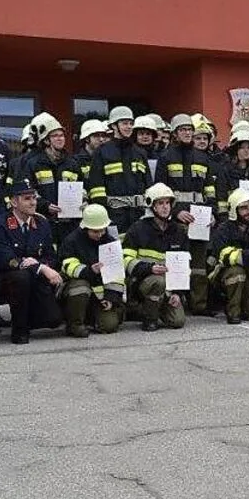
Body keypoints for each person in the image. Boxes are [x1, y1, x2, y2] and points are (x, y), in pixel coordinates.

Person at [0, 179, 63, 344]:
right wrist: (39, 267)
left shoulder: (42, 223)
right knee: (21, 277)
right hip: (8, 279)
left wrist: (41, 266)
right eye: (27, 199)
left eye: (34, 198)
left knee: (54, 320)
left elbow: (51, 256)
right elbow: (6, 260)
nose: (33, 202)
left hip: (36, 279)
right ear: (14, 202)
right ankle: (19, 329)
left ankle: (30, 317)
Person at [155, 113, 217, 315]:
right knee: (177, 261)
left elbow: (210, 191)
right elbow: (159, 191)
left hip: (200, 217)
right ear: (174, 133)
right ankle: (176, 302)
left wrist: (212, 213)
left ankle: (199, 305)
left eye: (190, 129)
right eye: (183, 130)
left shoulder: (203, 157)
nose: (187, 133)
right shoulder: (166, 157)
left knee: (199, 265)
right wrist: (175, 212)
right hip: (176, 218)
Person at [122, 183, 188, 331]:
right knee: (158, 281)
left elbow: (183, 268)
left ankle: (155, 307)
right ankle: (149, 319)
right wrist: (149, 268)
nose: (165, 207)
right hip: (143, 283)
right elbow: (126, 260)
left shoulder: (178, 231)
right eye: (160, 203)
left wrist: (177, 293)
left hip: (168, 287)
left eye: (167, 203)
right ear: (151, 205)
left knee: (177, 321)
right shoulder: (138, 229)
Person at [60, 204, 127, 336]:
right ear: (85, 228)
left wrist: (110, 298)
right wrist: (89, 271)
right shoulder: (72, 241)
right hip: (78, 289)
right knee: (80, 287)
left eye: (103, 230)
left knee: (109, 325)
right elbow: (68, 265)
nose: (100, 234)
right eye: (95, 231)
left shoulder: (110, 242)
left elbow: (117, 275)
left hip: (101, 295)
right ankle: (75, 324)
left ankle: (92, 319)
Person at [211, 188, 249, 324]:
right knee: (237, 272)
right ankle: (233, 311)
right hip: (226, 277)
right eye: (244, 208)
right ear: (234, 210)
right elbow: (226, 257)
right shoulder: (223, 230)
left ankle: (245, 305)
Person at [87, 106, 151, 233]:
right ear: (114, 126)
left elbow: (148, 185)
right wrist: (103, 216)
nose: (129, 127)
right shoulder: (101, 152)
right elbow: (96, 189)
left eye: (131, 123)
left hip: (139, 216)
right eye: (125, 123)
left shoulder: (140, 153)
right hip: (113, 217)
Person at [24, 113, 82, 242]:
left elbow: (82, 188)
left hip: (69, 224)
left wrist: (83, 201)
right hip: (43, 221)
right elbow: (28, 191)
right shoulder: (34, 164)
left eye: (61, 135)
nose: (60, 138)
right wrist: (45, 206)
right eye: (55, 136)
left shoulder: (72, 164)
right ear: (46, 140)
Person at [217, 129, 249, 221]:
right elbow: (221, 199)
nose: (246, 151)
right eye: (242, 148)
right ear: (235, 150)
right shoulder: (225, 170)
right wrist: (225, 221)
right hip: (232, 218)